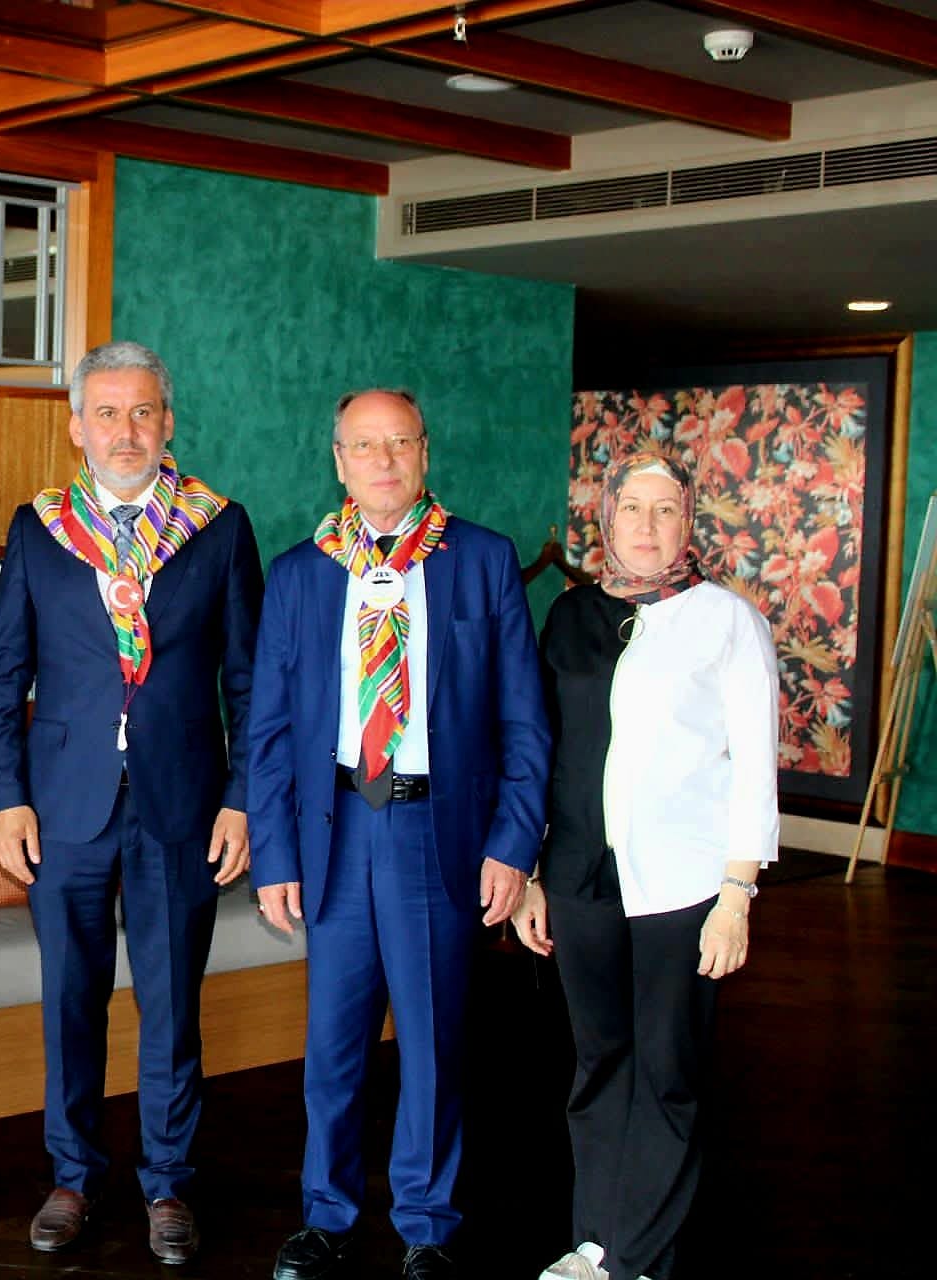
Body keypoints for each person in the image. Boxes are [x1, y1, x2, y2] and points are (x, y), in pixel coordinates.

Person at [247, 389, 551, 1280]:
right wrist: (274, 855)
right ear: (338, 462)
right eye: (364, 445)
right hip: (337, 831)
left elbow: (524, 722)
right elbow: (268, 730)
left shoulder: (482, 560)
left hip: (437, 832)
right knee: (333, 1046)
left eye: (399, 442)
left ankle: (426, 1222)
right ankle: (326, 1215)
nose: (382, 460)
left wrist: (513, 844)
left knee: (432, 1042)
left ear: (424, 453)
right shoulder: (300, 572)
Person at [0, 340, 261, 1266]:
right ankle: (73, 1175)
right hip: (64, 804)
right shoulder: (39, 528)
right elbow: (2, 673)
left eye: (143, 412)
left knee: (171, 1005)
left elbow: (249, 682)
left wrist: (242, 798)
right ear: (77, 428)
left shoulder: (219, 527)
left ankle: (168, 1182)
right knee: (71, 1000)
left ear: (167, 422)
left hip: (182, 804)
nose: (126, 430)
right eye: (106, 413)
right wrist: (8, 797)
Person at [512, 452, 778, 1280]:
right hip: (580, 874)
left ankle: (637, 1259)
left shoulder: (728, 621)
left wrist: (736, 894)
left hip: (687, 885)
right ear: (607, 516)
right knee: (600, 1064)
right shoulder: (571, 615)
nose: (648, 525)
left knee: (667, 1073)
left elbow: (756, 766)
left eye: (666, 510)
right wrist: (530, 873)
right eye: (633, 507)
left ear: (688, 521)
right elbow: (544, 750)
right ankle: (595, 1244)